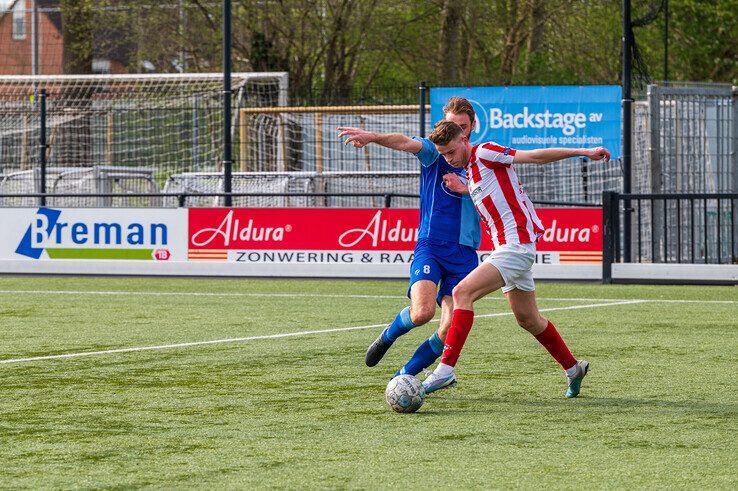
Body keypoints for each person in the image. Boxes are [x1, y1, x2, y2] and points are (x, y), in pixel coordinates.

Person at [423, 119, 611, 398]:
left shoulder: (485, 152)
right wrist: (464, 189)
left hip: (516, 246)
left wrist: (582, 151)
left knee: (462, 292)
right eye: (444, 155)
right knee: (528, 319)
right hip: (506, 248)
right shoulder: (470, 172)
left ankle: (445, 371)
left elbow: (534, 156)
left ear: (464, 139)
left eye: (451, 152)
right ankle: (574, 368)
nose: (448, 159)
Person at [337, 97, 481, 379]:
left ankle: (404, 376)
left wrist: (468, 189)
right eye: (453, 125)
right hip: (431, 244)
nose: (458, 132)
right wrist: (373, 137)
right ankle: (388, 335)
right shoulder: (435, 152)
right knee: (422, 313)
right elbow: (405, 142)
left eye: (463, 126)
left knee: (449, 327)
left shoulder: (483, 157)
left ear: (472, 126)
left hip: (465, 252)